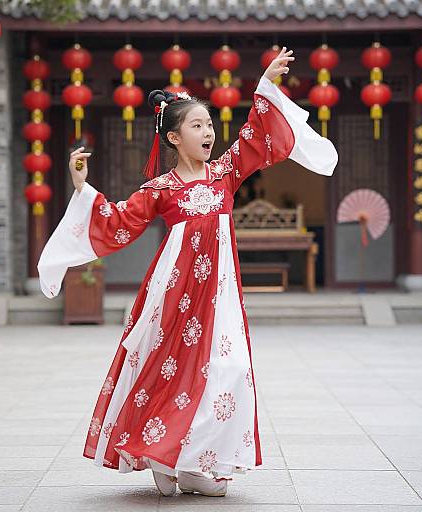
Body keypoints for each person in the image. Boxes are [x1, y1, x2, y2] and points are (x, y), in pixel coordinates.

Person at [37, 46, 337, 497]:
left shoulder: (225, 173)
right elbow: (117, 221)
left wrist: (267, 84)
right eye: (197, 125)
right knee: (169, 366)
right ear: (174, 138)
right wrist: (82, 188)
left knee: (228, 368)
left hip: (220, 293)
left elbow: (256, 136)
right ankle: (160, 451)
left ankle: (201, 458)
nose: (208, 132)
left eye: (210, 125)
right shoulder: (160, 188)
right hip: (175, 290)